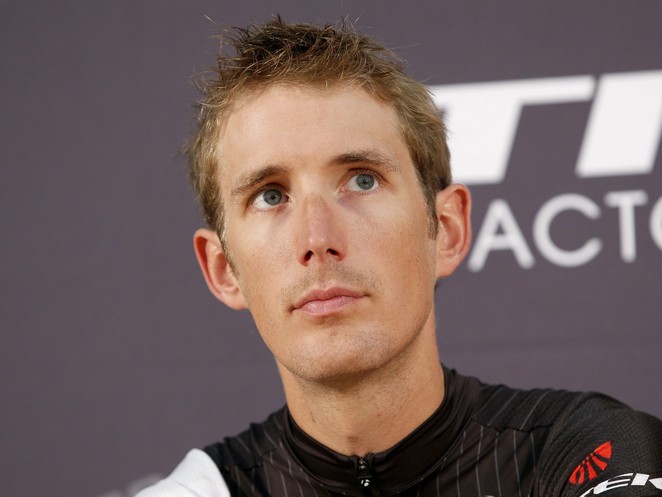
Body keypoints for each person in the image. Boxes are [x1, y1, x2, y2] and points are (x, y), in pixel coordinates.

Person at [137, 17, 662, 497]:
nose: (317, 238)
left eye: (362, 181)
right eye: (271, 196)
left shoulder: (585, 450)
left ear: (447, 230)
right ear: (223, 270)